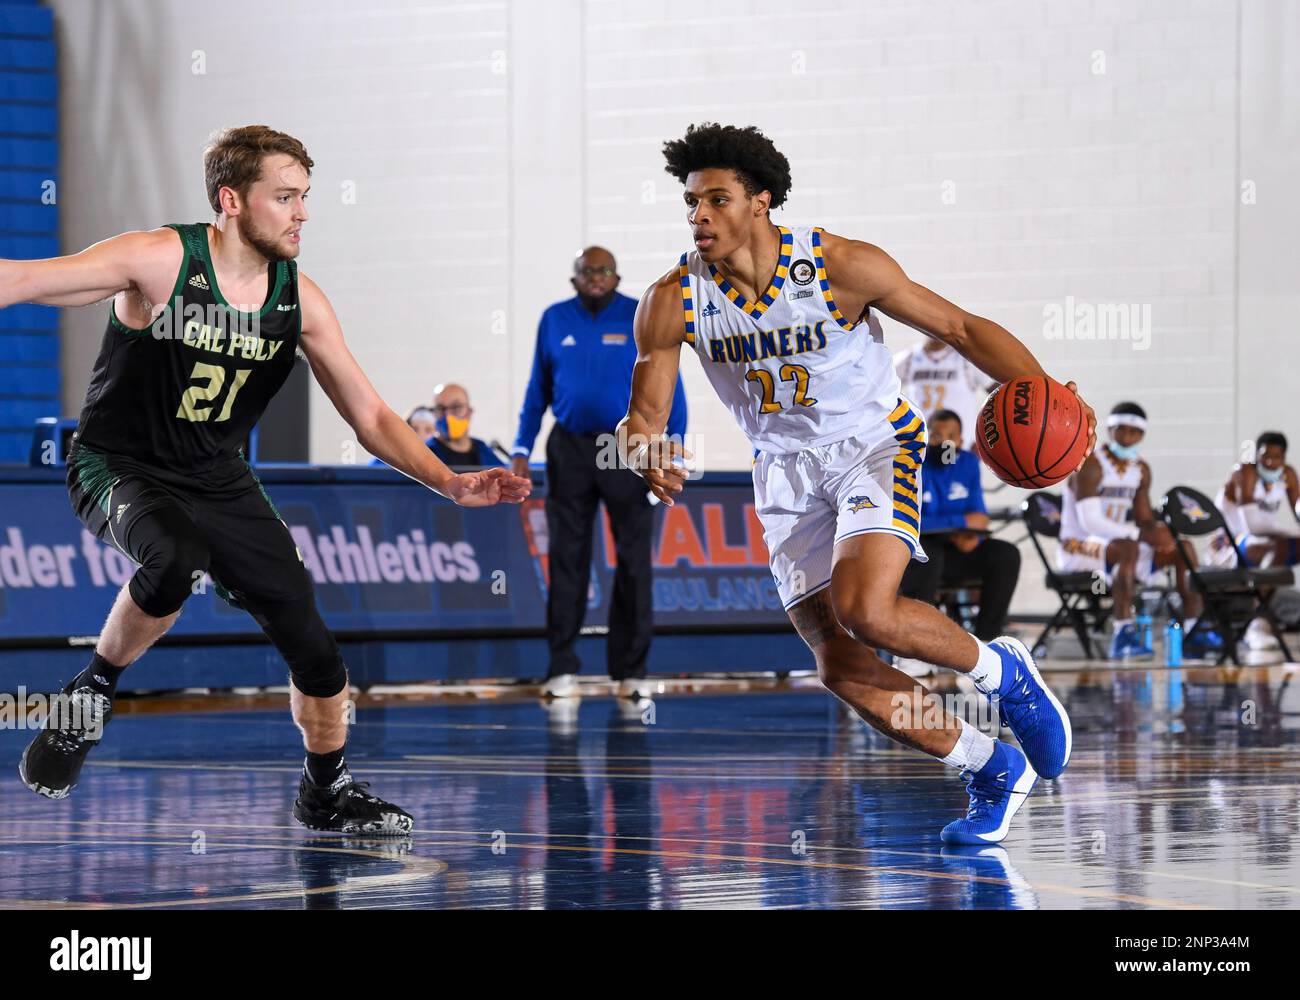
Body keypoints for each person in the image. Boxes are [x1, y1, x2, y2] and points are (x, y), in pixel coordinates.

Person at [0, 125, 530, 833]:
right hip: (119, 464)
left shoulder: (300, 300)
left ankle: (326, 790)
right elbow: (25, 278)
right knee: (176, 556)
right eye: (284, 197)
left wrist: (451, 481)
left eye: (305, 196)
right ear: (231, 200)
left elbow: (369, 413)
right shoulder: (161, 259)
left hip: (220, 480)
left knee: (315, 649)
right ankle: (91, 692)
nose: (303, 212)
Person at [616, 122, 1089, 845]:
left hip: (872, 445)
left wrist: (1041, 387)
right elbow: (642, 417)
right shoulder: (672, 299)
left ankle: (1002, 673)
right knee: (841, 664)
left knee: (866, 607)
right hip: (782, 471)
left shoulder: (839, 264)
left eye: (716, 199)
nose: (699, 216)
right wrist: (641, 449)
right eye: (691, 203)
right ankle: (988, 765)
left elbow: (960, 328)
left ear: (761, 202)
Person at [512, 247, 687, 702]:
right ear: (575, 278)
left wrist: (675, 444)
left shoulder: (638, 314)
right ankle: (561, 669)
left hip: (627, 448)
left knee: (634, 561)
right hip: (568, 447)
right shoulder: (554, 318)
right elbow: (537, 389)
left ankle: (631, 672)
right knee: (567, 559)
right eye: (588, 271)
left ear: (617, 275)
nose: (596, 277)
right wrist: (520, 447)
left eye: (605, 270)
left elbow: (671, 384)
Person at [1059, 401, 1220, 660]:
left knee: (1183, 549)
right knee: (1129, 548)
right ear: (1110, 431)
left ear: (1142, 435)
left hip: (1120, 547)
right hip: (1077, 546)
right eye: (1122, 430)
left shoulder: (1140, 469)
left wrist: (1163, 533)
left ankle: (1193, 632)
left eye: (1134, 432)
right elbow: (1090, 522)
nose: (1127, 437)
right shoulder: (1090, 463)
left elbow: (1144, 518)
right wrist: (1142, 535)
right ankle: (1123, 634)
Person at [898, 409, 1021, 663]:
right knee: (928, 551)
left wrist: (966, 534)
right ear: (925, 437)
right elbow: (912, 520)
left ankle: (988, 643)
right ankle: (915, 649)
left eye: (950, 436)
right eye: (936, 436)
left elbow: (980, 517)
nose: (943, 442)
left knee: (1006, 554)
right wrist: (957, 525)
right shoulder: (913, 463)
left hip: (957, 552)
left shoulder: (968, 463)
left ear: (961, 441)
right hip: (922, 554)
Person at [1212, 431, 1300, 651]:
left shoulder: (1287, 475)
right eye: (1265, 456)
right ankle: (1257, 625)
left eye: (1276, 456)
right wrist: (1289, 533)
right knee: (1277, 544)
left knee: (1278, 545)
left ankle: (1260, 619)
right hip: (1228, 547)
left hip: (1264, 545)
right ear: (1257, 456)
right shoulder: (1245, 472)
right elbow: (1252, 525)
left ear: (1284, 458)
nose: (1270, 462)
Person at [893, 337, 990, 444]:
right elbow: (880, 393)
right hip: (922, 444)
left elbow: (997, 393)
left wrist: (984, 436)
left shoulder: (966, 359)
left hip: (957, 445)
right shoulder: (909, 358)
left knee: (948, 457)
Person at [427, 382, 504, 469]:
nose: (448, 415)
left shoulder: (482, 450)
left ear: (469, 412)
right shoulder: (426, 454)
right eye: (440, 408)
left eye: (456, 407)